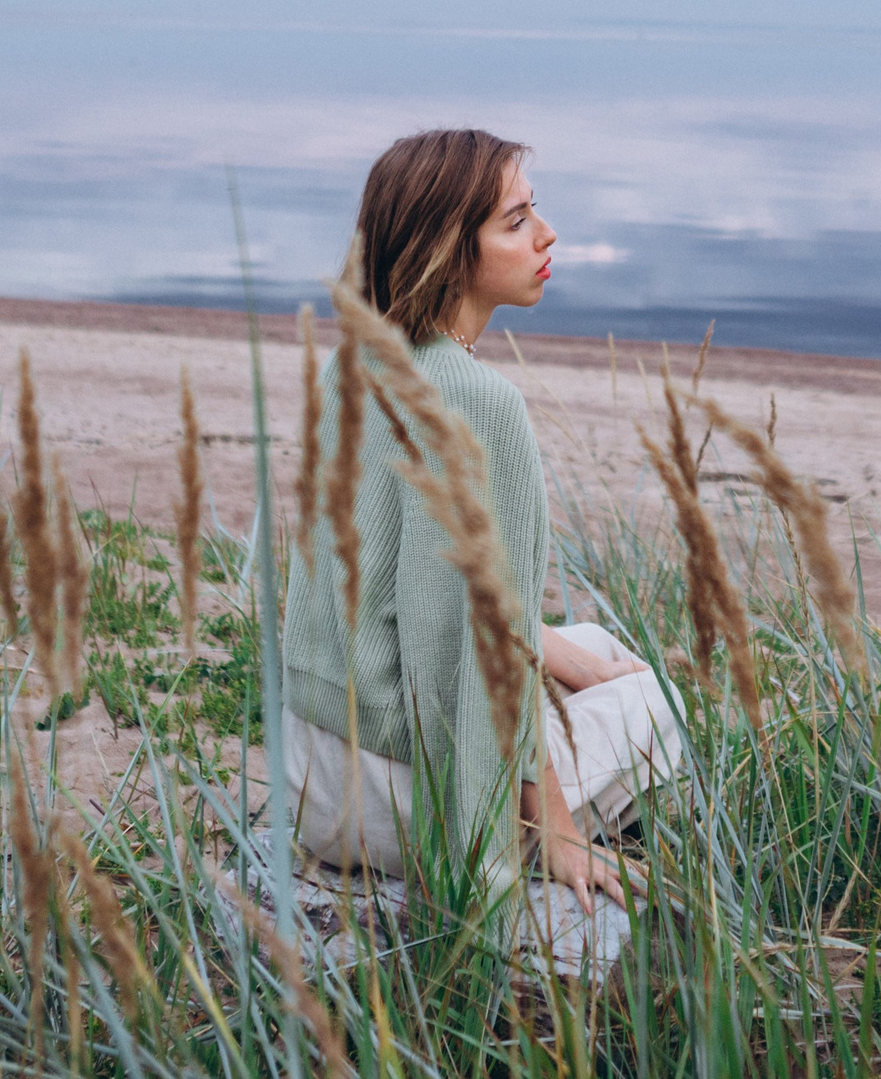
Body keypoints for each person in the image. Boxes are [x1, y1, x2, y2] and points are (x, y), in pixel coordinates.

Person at [279, 129, 680, 911]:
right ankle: (552, 839)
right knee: (657, 706)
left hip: (312, 774)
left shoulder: (350, 363)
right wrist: (556, 825)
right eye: (516, 220)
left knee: (597, 648)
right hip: (399, 806)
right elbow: (473, 648)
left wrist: (581, 666)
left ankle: (588, 679)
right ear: (447, 251)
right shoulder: (482, 403)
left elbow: (445, 601)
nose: (546, 234)